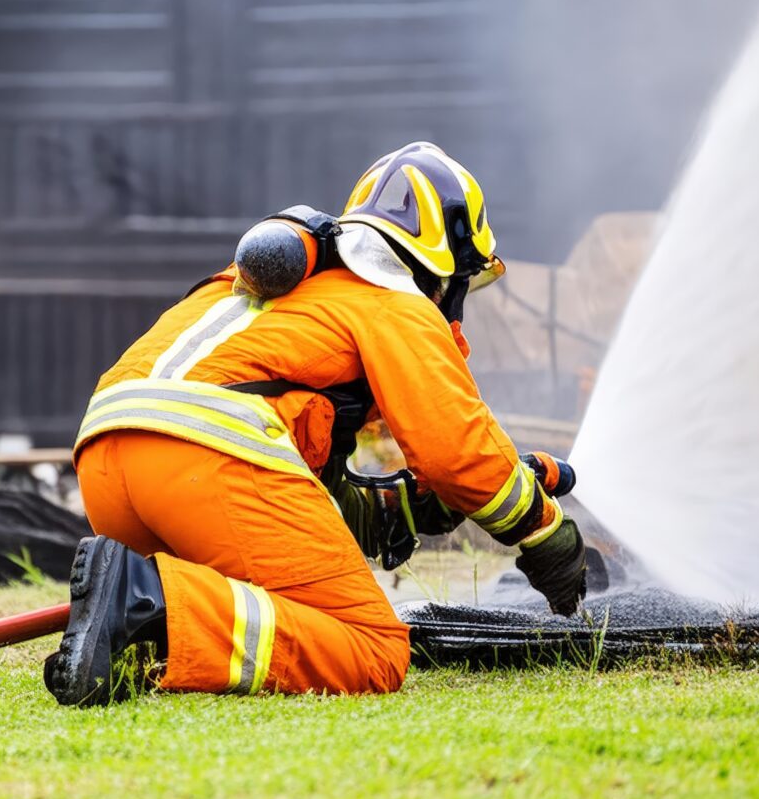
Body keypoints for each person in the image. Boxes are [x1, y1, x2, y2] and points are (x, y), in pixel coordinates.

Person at [45, 142, 587, 706]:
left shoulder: (274, 286)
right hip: (205, 457)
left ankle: (129, 633)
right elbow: (459, 452)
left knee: (262, 606)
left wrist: (400, 509)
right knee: (372, 648)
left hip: (107, 459)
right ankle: (151, 606)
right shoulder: (393, 299)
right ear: (444, 269)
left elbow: (295, 474)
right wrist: (544, 531)